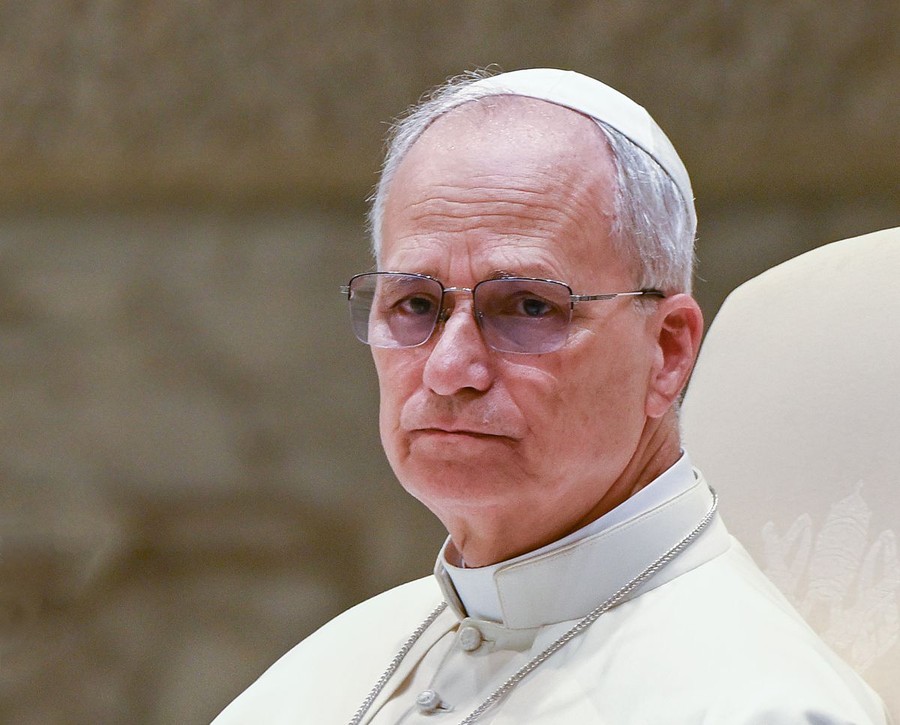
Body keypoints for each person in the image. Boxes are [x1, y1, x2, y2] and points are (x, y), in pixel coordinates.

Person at [214, 68, 889, 724]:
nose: (450, 368)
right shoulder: (327, 670)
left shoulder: (757, 705)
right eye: (415, 303)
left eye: (528, 306)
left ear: (668, 350)